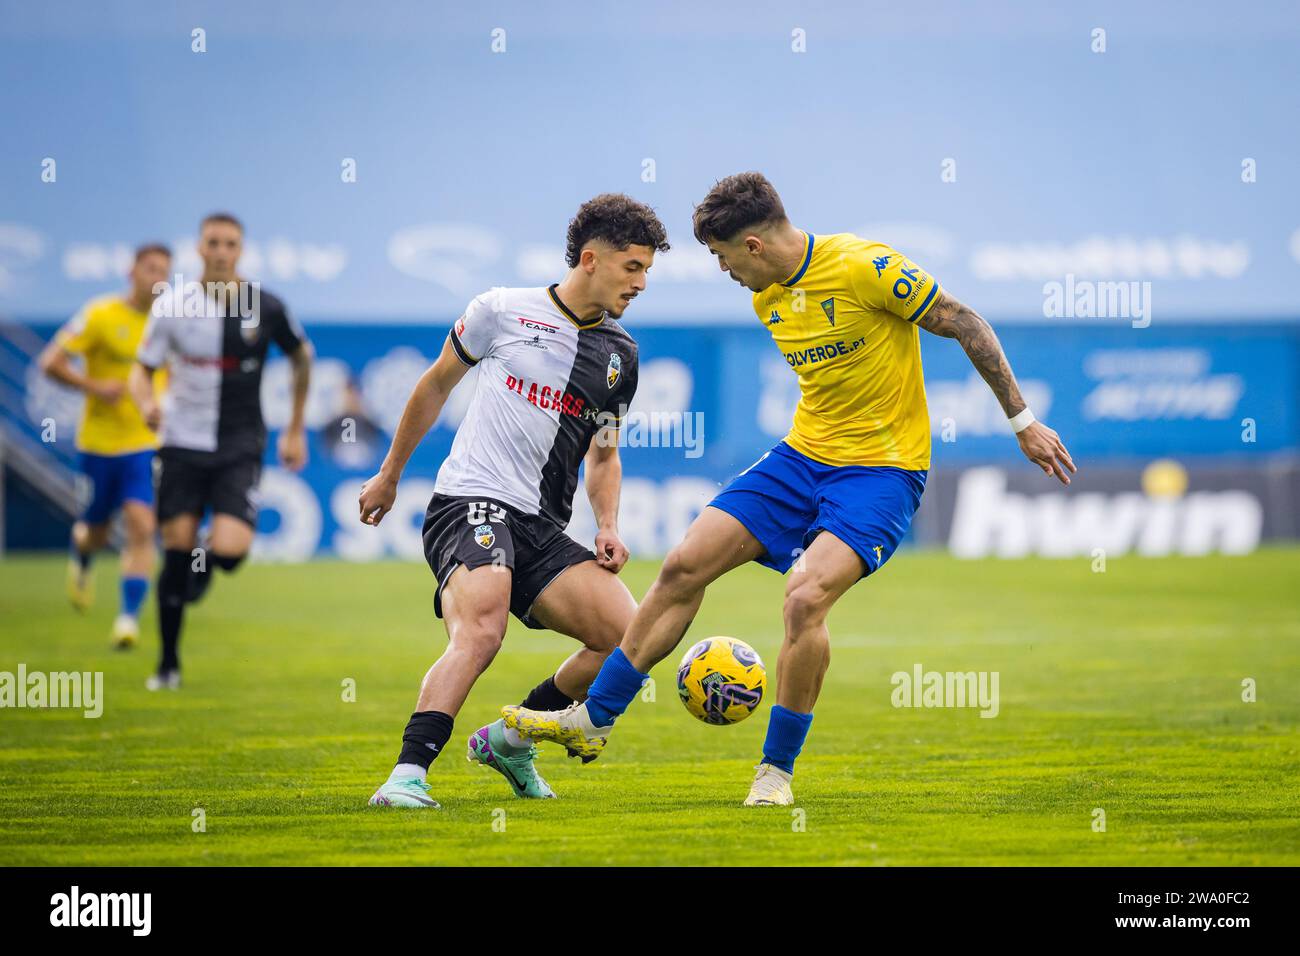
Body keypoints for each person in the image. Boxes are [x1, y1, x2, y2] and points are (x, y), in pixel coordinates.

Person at [504, 171, 1077, 806]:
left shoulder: (867, 266)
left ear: (752, 245)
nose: (724, 273)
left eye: (722, 259)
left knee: (804, 600)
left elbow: (964, 321)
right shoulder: (766, 298)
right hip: (801, 459)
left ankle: (775, 774)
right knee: (684, 564)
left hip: (884, 472)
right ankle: (595, 719)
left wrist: (1022, 422)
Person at [359, 194, 669, 808]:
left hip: (540, 527)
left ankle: (511, 736)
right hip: (471, 500)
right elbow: (435, 385)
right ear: (590, 259)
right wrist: (390, 473)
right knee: (482, 629)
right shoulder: (500, 311)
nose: (640, 283)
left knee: (630, 637)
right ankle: (406, 776)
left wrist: (607, 523)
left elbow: (603, 453)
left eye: (647, 271)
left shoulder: (620, 356)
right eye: (632, 267)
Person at [128, 213, 313, 689]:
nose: (221, 251)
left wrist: (294, 429)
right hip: (181, 445)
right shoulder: (172, 306)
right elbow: (141, 369)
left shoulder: (264, 305)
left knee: (230, 551)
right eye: (213, 242)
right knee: (174, 553)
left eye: (230, 243)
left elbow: (301, 356)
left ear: (241, 250)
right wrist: (147, 403)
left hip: (238, 444)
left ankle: (207, 556)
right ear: (199, 248)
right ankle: (168, 664)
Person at [38, 243, 172, 648]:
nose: (158, 279)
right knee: (93, 531)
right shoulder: (99, 314)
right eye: (150, 269)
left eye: (165, 271)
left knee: (141, 525)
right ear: (131, 271)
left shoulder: (171, 322)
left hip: (146, 443)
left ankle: (127, 619)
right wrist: (94, 386)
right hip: (99, 444)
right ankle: (82, 556)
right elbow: (50, 362)